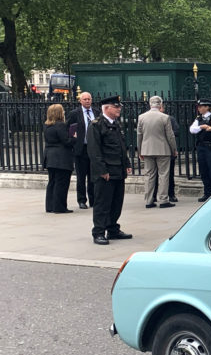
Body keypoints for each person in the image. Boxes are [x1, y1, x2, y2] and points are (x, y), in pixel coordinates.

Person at [87, 95, 132, 245]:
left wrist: (127, 163)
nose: (119, 109)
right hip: (106, 172)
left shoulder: (116, 124)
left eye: (119, 106)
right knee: (102, 203)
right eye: (116, 106)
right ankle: (98, 231)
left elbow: (121, 146)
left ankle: (112, 228)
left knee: (116, 202)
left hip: (118, 169)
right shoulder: (96, 125)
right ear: (107, 108)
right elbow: (94, 151)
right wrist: (102, 170)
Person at [137, 96, 177, 208]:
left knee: (149, 175)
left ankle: (149, 200)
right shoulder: (164, 117)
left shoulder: (141, 117)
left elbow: (139, 135)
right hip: (163, 149)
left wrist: (140, 150)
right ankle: (163, 199)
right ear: (160, 105)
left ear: (150, 104)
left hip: (147, 149)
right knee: (163, 175)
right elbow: (170, 135)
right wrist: (174, 149)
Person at [66, 91, 97, 209]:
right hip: (81, 148)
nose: (87, 101)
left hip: (93, 148)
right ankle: (81, 200)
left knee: (93, 176)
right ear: (80, 101)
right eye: (85, 99)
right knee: (81, 176)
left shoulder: (96, 112)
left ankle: (93, 199)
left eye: (89, 99)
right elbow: (68, 129)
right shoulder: (74, 113)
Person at [42, 103, 74, 213]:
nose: (64, 112)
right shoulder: (60, 125)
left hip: (50, 156)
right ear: (59, 113)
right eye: (63, 111)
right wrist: (74, 137)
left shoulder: (46, 125)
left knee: (52, 182)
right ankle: (59, 207)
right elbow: (66, 141)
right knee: (62, 183)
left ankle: (50, 206)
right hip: (61, 158)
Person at [156, 103, 180, 202]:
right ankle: (154, 195)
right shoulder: (149, 118)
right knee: (154, 175)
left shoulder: (170, 118)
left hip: (168, 150)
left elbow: (177, 131)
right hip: (156, 150)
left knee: (169, 175)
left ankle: (171, 194)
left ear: (162, 108)